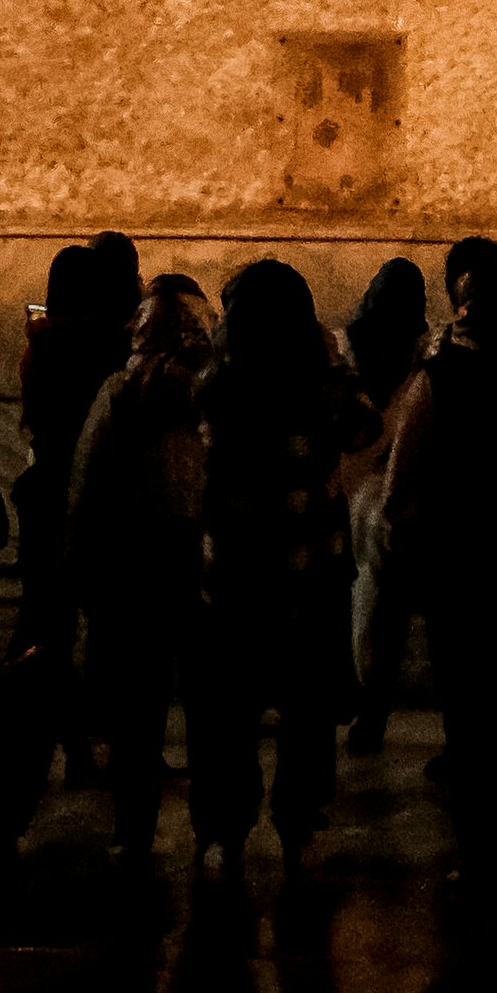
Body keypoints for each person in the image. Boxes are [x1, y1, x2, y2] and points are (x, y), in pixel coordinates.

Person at [389, 235, 497, 932]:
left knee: (471, 718)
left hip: (462, 569)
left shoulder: (442, 377)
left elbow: (403, 472)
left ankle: (482, 854)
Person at [201, 258, 360, 864]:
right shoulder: (323, 380)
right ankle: (298, 824)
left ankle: (226, 827)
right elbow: (364, 429)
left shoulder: (217, 379)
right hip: (313, 566)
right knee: (307, 710)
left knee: (228, 711)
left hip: (234, 568)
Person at [70, 271, 228, 874]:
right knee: (211, 706)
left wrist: (78, 562)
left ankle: (132, 828)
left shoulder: (121, 392)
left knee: (137, 712)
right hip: (208, 557)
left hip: (133, 562)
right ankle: (217, 827)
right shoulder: (220, 388)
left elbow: (87, 484)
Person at [12, 234, 140, 789]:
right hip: (105, 495)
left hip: (47, 490)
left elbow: (32, 410)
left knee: (48, 619)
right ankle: (119, 738)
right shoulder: (118, 346)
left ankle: (59, 745)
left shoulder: (43, 344)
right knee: (113, 618)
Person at [339, 252, 433, 733]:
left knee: (350, 602)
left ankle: (359, 701)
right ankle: (372, 704)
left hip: (344, 492)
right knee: (383, 607)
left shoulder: (343, 350)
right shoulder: (424, 358)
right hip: (388, 499)